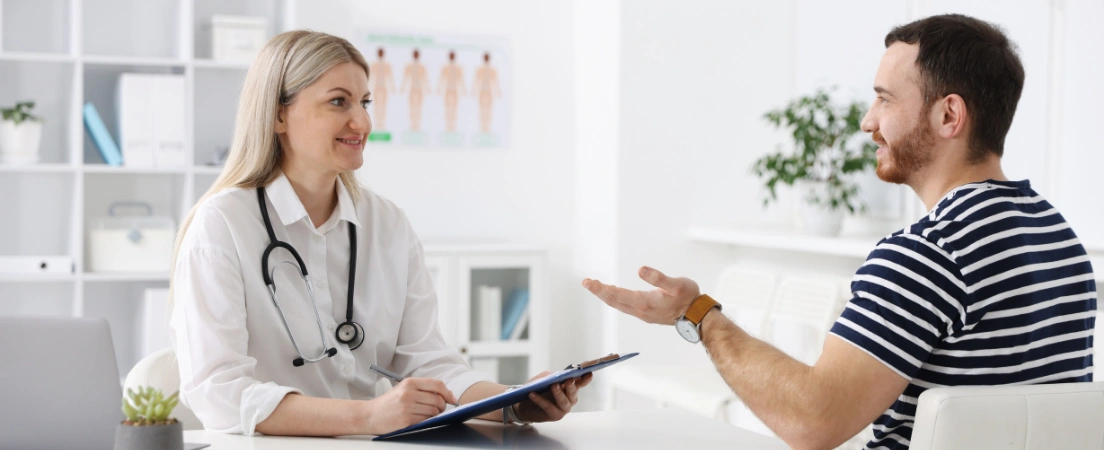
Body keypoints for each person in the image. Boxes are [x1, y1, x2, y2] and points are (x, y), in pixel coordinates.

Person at [583, 14, 1096, 450]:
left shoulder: (928, 253)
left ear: (948, 115)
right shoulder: (1061, 243)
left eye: (885, 100)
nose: (868, 122)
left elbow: (813, 419)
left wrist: (698, 316)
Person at [170, 30, 590, 437]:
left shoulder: (387, 224)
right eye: (339, 102)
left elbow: (428, 364)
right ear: (278, 114)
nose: (363, 121)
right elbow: (217, 392)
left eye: (365, 102)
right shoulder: (223, 224)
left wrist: (513, 403)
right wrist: (366, 416)